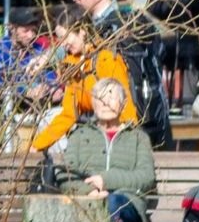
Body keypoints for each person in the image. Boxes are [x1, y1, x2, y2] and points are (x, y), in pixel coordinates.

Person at [39, 77, 156, 222]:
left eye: (111, 96)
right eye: (100, 97)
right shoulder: (79, 135)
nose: (105, 102)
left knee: (112, 204)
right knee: (107, 213)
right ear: (93, 104)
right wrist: (90, 193)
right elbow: (65, 174)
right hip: (86, 202)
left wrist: (106, 180)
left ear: (123, 103)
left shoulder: (138, 138)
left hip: (127, 202)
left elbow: (146, 177)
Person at [27, 11, 140, 151]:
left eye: (66, 37)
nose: (63, 44)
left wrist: (131, 143)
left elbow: (125, 104)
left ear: (82, 32)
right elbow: (68, 115)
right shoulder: (73, 68)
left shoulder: (107, 59)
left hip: (116, 138)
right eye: (60, 39)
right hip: (93, 138)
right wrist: (37, 145)